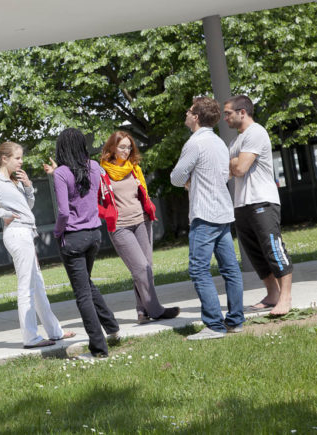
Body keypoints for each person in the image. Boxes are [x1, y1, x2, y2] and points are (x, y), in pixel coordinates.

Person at [0, 142, 75, 349]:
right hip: (17, 234)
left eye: (21, 158)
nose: (21, 162)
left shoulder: (16, 181)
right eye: (17, 158)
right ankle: (31, 338)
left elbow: (27, 207)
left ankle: (55, 331)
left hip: (26, 233)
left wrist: (28, 187)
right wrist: (3, 214)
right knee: (27, 286)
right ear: (5, 159)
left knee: (37, 285)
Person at [170, 97, 244, 340]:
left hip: (204, 214)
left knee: (199, 269)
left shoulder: (195, 143)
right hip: (223, 212)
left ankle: (214, 325)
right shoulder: (220, 143)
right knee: (230, 269)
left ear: (197, 117)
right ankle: (235, 320)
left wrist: (190, 181)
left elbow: (176, 177)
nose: (186, 113)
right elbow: (224, 176)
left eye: (190, 110)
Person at [42, 129, 120, 357]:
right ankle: (113, 328)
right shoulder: (94, 166)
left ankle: (98, 349)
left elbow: (64, 212)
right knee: (86, 283)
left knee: (82, 293)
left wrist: (58, 233)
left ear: (61, 148)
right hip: (95, 234)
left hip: (73, 238)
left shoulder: (62, 174)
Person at [98, 132, 180, 324]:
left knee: (145, 269)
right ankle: (157, 310)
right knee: (141, 268)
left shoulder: (134, 169)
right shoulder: (101, 173)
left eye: (129, 147)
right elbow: (94, 203)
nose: (126, 151)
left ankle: (142, 311)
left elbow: (143, 193)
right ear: (112, 148)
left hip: (142, 221)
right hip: (120, 227)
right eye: (122, 147)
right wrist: (108, 214)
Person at [224, 95, 293, 316]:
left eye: (228, 113)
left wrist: (234, 162)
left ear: (242, 112)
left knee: (273, 248)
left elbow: (240, 168)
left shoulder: (256, 133)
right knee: (255, 253)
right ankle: (272, 294)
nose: (224, 118)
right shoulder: (236, 141)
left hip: (262, 200)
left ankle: (285, 298)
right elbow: (227, 170)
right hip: (242, 203)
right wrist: (234, 163)